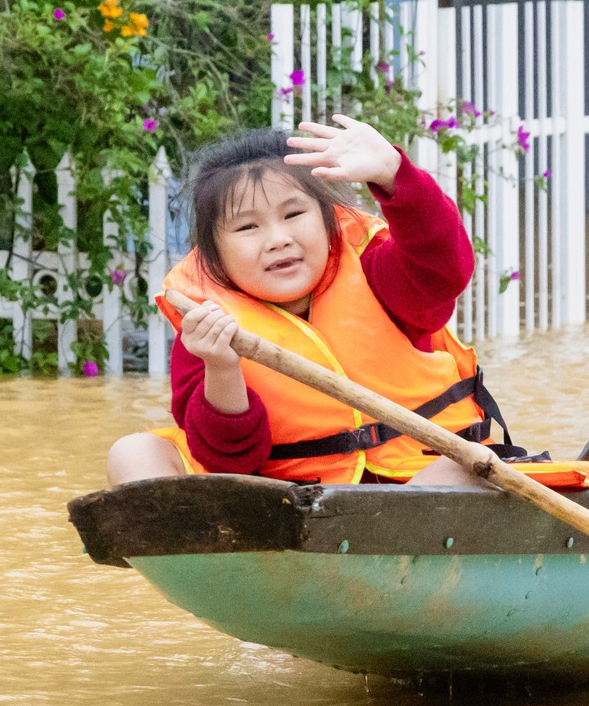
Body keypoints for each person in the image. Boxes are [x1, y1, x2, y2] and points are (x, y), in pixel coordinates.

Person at [105, 114, 494, 487]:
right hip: (286, 497)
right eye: (248, 226)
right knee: (133, 451)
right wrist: (221, 368)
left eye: (293, 214)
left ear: (328, 221)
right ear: (214, 254)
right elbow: (228, 461)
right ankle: (193, 552)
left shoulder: (377, 273)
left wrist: (394, 173)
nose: (278, 239)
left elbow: (444, 268)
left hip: (413, 472)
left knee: (462, 466)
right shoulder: (206, 325)